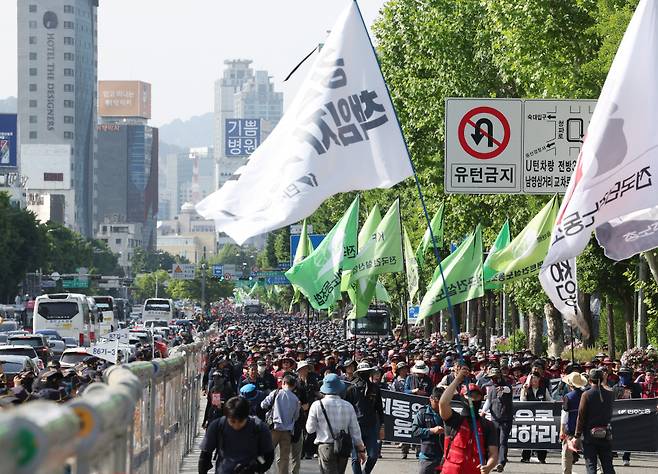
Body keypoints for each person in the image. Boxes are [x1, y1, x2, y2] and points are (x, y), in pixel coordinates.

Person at [438, 366, 499, 474]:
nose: (473, 399)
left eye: (476, 396)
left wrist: (489, 466)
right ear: (462, 397)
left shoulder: (488, 425)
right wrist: (457, 380)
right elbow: (443, 403)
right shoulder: (453, 419)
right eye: (469, 396)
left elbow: (493, 453)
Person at [306, 374, 367, 474]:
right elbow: (355, 430)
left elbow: (310, 429)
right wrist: (361, 450)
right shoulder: (348, 406)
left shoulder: (317, 405)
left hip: (325, 447)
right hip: (343, 446)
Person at [198, 396, 274, 474]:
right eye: (232, 421)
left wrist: (255, 467)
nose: (236, 425)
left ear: (247, 416)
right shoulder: (217, 426)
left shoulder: (259, 428)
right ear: (226, 417)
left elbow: (268, 457)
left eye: (240, 421)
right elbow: (205, 456)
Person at [573, 369, 615, 474]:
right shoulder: (610, 394)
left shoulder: (586, 394)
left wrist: (577, 435)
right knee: (608, 466)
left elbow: (581, 416)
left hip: (589, 435)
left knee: (591, 465)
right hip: (605, 433)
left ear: (590, 380)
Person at [345, 362, 384, 474]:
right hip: (355, 426)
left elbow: (380, 409)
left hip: (371, 426)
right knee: (355, 457)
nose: (365, 376)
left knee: (373, 455)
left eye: (367, 373)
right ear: (358, 374)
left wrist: (382, 425)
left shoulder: (375, 389)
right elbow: (347, 408)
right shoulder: (351, 389)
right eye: (362, 374)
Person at [260, 374, 301, 474]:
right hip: (287, 431)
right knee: (284, 457)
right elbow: (296, 417)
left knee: (266, 453)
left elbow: (263, 405)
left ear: (283, 383)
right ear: (294, 386)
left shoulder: (276, 393)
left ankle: (264, 471)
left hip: (274, 428)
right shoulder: (296, 399)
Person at [482, 367, 513, 472]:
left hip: (506, 419)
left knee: (502, 441)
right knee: (494, 442)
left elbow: (508, 390)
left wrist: (502, 389)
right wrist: (483, 411)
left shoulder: (507, 386)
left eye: (494, 377)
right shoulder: (491, 388)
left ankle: (501, 463)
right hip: (494, 419)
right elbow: (489, 401)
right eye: (492, 378)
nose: (493, 379)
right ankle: (493, 462)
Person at [411, 386, 445, 473]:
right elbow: (415, 431)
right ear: (431, 398)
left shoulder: (448, 414)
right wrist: (431, 431)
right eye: (437, 401)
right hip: (427, 456)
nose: (439, 405)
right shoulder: (422, 413)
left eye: (442, 402)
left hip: (444, 456)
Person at [520, 373, 551, 463]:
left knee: (541, 436)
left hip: (541, 418)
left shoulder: (543, 389)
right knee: (528, 436)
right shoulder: (526, 389)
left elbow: (550, 400)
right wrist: (524, 391)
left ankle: (542, 457)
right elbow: (522, 401)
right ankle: (525, 457)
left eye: (536, 378)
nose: (534, 380)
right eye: (532, 378)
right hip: (529, 418)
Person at [613, 366, 641, 467]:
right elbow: (613, 402)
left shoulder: (636, 387)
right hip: (618, 415)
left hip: (630, 415)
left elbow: (639, 401)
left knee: (630, 436)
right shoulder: (615, 387)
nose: (623, 377)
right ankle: (613, 453)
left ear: (630, 376)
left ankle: (626, 457)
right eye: (621, 375)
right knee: (616, 435)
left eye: (626, 375)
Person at [560, 371, 587, 474]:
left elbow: (564, 415)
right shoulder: (586, 395)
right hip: (584, 430)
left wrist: (562, 430)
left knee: (566, 455)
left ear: (570, 384)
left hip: (571, 430)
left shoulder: (568, 397)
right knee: (590, 455)